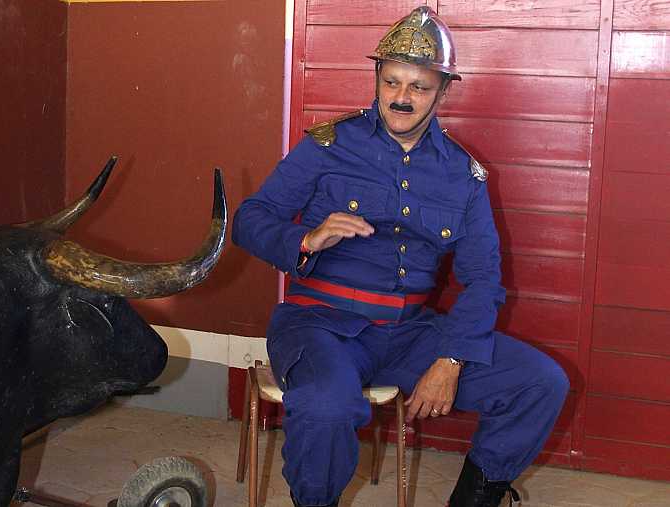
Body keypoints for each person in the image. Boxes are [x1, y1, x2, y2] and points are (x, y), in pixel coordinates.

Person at [232, 6, 569, 507]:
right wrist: (305, 240)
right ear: (376, 78)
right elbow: (249, 219)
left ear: (443, 91)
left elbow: (483, 279)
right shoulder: (328, 146)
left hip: (409, 334)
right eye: (391, 82)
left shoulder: (462, 175)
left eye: (419, 87)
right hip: (319, 324)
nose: (401, 98)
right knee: (326, 404)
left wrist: (451, 358)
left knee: (541, 382)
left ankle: (474, 500)